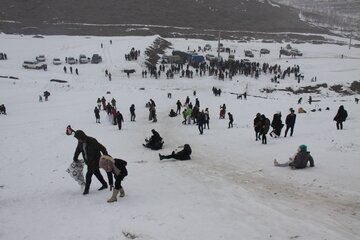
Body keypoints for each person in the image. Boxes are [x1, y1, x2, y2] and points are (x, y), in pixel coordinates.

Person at [73, 130, 109, 195]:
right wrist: (75, 157)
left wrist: (105, 156)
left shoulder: (92, 141)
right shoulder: (80, 142)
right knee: (97, 173)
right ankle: (104, 184)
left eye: (79, 138)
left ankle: (86, 190)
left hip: (95, 161)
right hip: (89, 161)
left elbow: (102, 148)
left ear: (82, 137)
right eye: (77, 139)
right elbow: (78, 150)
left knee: (88, 175)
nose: (78, 140)